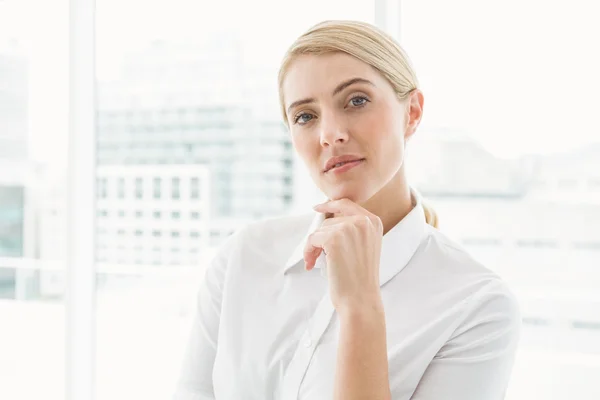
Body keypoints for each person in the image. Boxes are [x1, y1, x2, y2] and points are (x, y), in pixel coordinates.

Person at [174, 20, 521, 400]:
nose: (330, 134)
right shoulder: (242, 257)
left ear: (413, 112)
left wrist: (360, 308)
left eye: (356, 101)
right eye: (305, 116)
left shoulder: (477, 307)